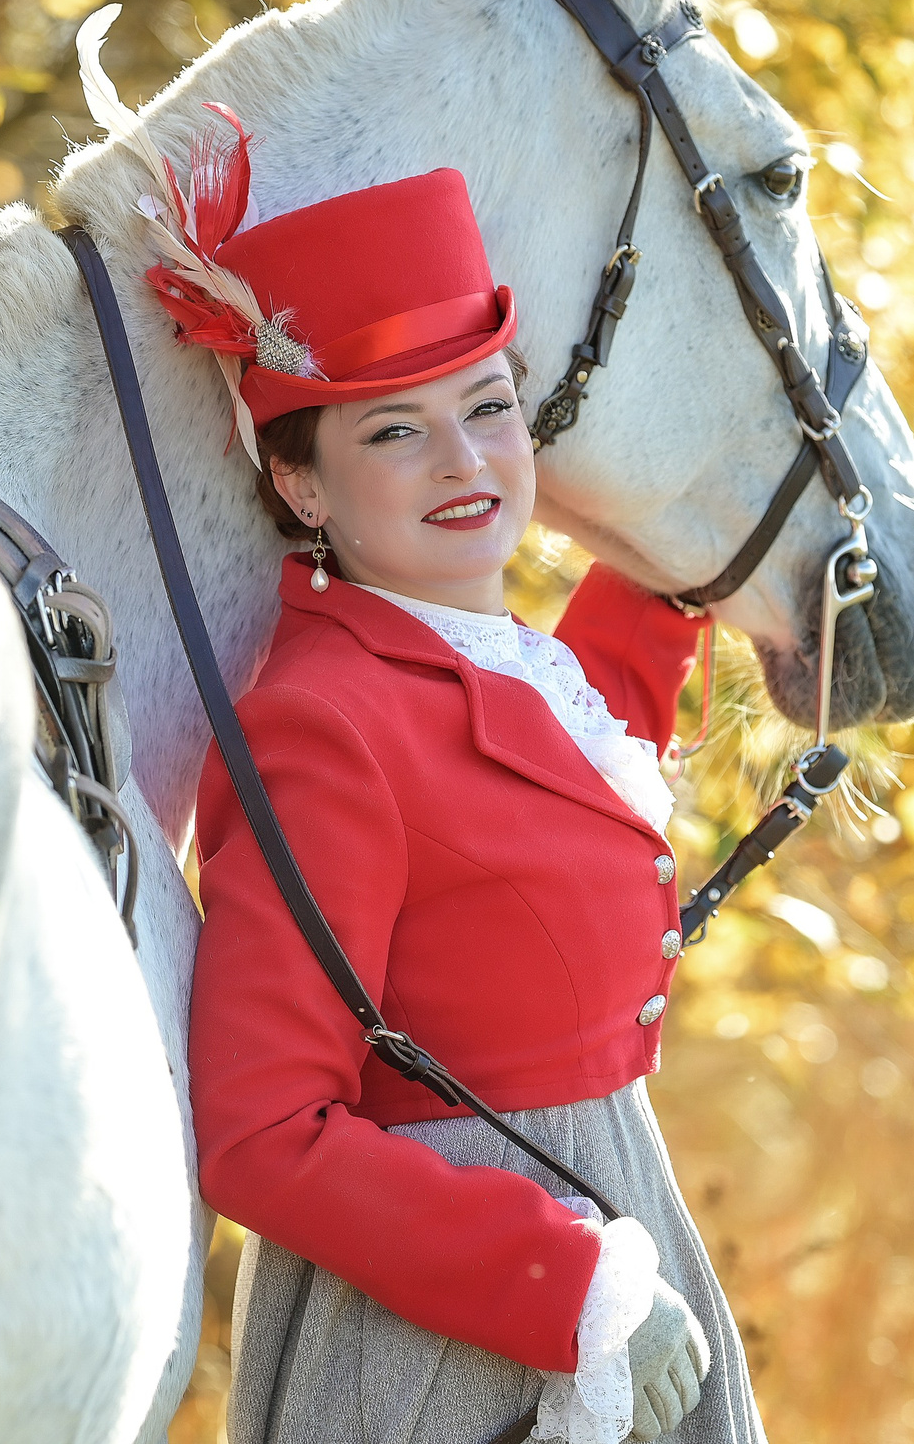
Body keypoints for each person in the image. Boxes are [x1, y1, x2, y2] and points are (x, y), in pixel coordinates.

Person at [150, 138, 770, 1444]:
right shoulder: (316, 724)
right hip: (457, 1335)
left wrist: (702, 523)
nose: (465, 462)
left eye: (488, 405)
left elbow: (547, 775)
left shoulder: (493, 664)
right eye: (395, 430)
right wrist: (570, 1289)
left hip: (615, 1213)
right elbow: (261, 1136)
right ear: (299, 480)